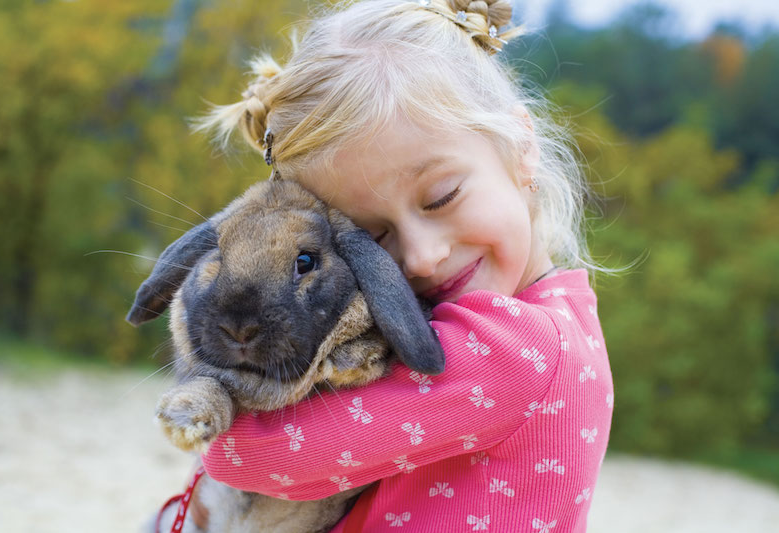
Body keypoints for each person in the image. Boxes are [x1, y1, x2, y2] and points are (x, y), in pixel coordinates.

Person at [190, 0, 613, 531]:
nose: (421, 256)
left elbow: (248, 456)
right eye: (370, 237)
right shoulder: (567, 316)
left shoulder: (516, 350)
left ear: (522, 145)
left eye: (441, 198)